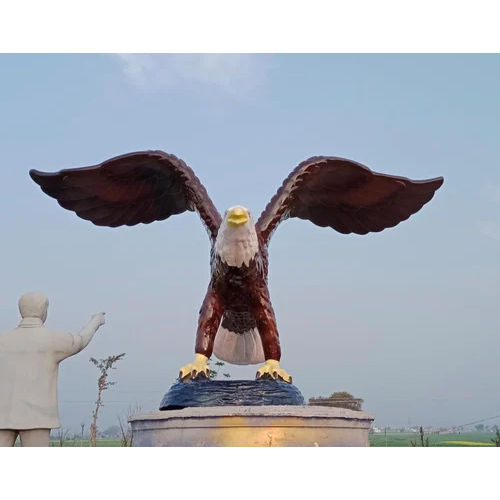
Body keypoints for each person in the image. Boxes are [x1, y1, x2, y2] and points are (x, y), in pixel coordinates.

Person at [0, 292, 105, 447]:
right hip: (37, 418)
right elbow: (80, 341)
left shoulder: (3, 341)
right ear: (44, 311)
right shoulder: (50, 340)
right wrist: (95, 322)